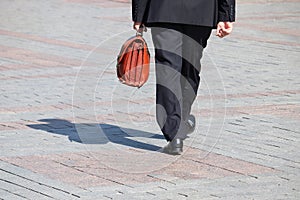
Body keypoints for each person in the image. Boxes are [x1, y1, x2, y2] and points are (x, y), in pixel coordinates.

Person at [132, 0, 236, 155]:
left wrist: (139, 14)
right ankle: (180, 122)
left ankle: (175, 131)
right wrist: (226, 14)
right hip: (201, 11)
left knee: (168, 68)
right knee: (190, 68)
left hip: (163, 10)